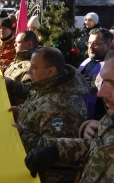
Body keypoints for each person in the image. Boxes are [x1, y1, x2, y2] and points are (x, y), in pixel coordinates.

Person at [24, 45, 114, 182]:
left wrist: (21, 135)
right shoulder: (110, 118)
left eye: (113, 84)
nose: (101, 93)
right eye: (104, 82)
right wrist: (58, 151)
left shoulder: (62, 103)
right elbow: (102, 150)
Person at [7, 47, 88, 183]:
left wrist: (21, 135)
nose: (29, 72)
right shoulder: (47, 85)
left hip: (44, 177)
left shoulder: (63, 106)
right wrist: (21, 110)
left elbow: (52, 149)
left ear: (51, 71)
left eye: (33, 67)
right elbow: (39, 108)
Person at [78, 28, 112, 120]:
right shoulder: (87, 61)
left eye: (95, 44)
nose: (90, 47)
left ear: (108, 45)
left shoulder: (110, 65)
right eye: (89, 43)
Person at [4, 30, 40, 106]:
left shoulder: (34, 63)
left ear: (29, 44)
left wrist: (10, 83)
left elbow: (33, 91)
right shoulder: (21, 56)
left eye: (18, 42)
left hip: (17, 109)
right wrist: (3, 69)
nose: (14, 44)